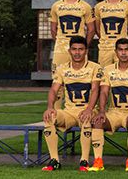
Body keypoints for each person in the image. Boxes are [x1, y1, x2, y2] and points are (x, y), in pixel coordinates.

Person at [41, 35, 102, 172]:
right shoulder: (62, 69)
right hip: (69, 112)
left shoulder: (95, 68)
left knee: (86, 119)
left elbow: (95, 90)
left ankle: (84, 161)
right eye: (74, 49)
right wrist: (50, 108)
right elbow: (53, 90)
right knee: (49, 118)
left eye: (81, 49)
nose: (77, 52)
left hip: (88, 110)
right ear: (69, 51)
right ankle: (54, 160)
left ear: (86, 51)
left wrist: (89, 109)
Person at [89, 38, 128, 172]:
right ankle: (98, 161)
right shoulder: (108, 70)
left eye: (126, 49)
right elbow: (103, 92)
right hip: (113, 112)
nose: (123, 53)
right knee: (98, 122)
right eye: (120, 50)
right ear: (116, 52)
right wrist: (102, 111)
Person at [49, 0, 94, 71]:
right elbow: (53, 29)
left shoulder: (86, 6)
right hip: (60, 50)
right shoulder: (56, 6)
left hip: (79, 50)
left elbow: (91, 30)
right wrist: (59, 42)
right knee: (58, 79)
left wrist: (84, 46)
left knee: (81, 79)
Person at [93, 0, 128, 67]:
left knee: (121, 75)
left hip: (121, 48)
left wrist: (125, 41)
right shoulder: (99, 7)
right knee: (104, 76)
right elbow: (97, 28)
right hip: (105, 48)